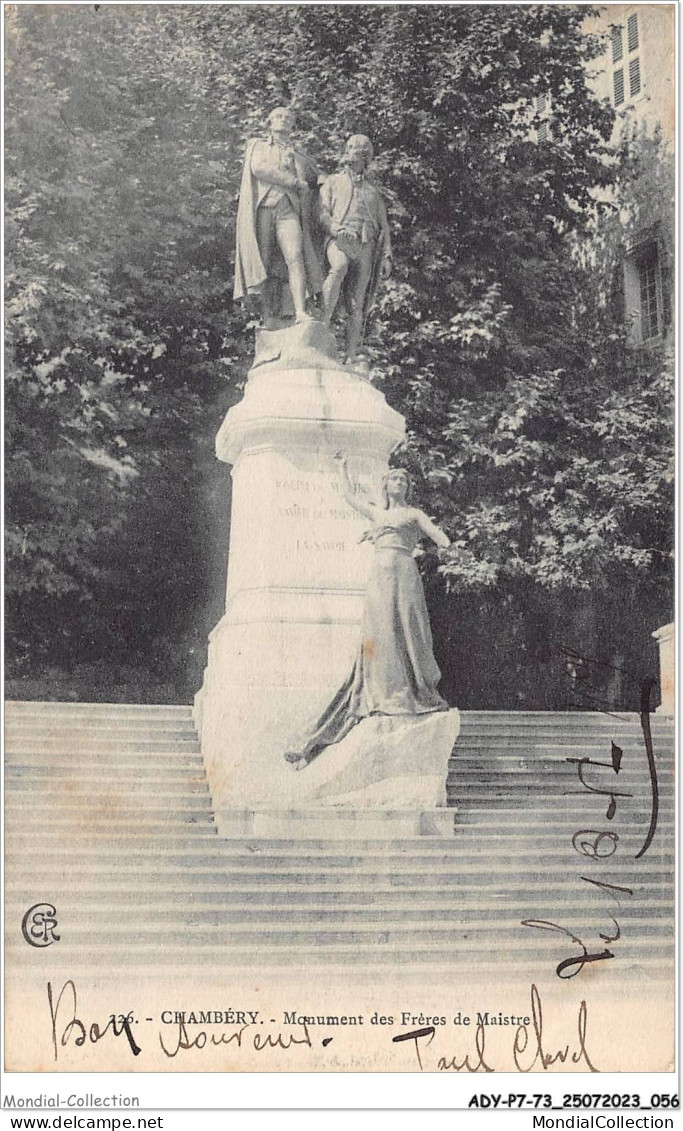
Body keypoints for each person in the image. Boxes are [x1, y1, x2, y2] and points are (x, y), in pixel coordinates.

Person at [284, 456, 450, 768]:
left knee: (410, 629)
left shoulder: (414, 514)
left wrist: (443, 548)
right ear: (385, 485)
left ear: (408, 487)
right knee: (381, 633)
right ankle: (385, 691)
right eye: (393, 480)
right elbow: (349, 496)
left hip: (405, 572)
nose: (398, 484)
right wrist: (343, 468)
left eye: (403, 480)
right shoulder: (376, 512)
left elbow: (440, 537)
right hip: (380, 575)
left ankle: (413, 689)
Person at [234, 106, 323, 328]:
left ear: (292, 126)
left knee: (295, 256)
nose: (283, 120)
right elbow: (259, 168)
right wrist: (292, 181)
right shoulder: (259, 146)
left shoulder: (300, 156)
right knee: (262, 260)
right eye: (278, 117)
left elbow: (318, 178)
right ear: (270, 122)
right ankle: (266, 317)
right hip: (265, 208)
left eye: (288, 118)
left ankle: (300, 311)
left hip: (288, 210)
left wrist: (329, 182)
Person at [319, 135, 392, 364]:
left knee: (356, 303)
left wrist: (387, 255)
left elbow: (384, 226)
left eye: (357, 149)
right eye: (349, 148)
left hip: (365, 246)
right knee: (338, 268)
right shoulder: (333, 182)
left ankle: (350, 353)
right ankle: (321, 327)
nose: (351, 152)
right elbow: (321, 213)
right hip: (339, 240)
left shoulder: (373, 191)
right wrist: (336, 228)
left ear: (365, 156)